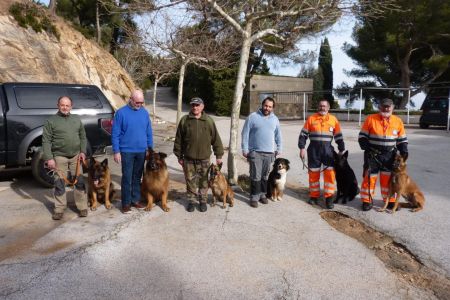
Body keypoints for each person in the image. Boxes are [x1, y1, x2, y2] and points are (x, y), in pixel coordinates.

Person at [173, 97, 224, 212]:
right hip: (188, 159)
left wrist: (219, 156)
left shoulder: (209, 121)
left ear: (202, 106)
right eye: (193, 105)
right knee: (190, 181)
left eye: (197, 105)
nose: (195, 107)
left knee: (204, 181)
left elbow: (216, 139)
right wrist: (179, 156)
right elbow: (178, 140)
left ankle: (202, 201)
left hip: (204, 159)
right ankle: (191, 201)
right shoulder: (185, 120)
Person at [42, 96, 88, 220]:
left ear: (71, 106)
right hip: (59, 156)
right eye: (62, 105)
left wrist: (83, 152)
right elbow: (46, 141)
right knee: (59, 183)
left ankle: (82, 207)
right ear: (58, 105)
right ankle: (59, 209)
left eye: (67, 105)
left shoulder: (76, 119)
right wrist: (49, 158)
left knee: (80, 182)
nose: (65, 107)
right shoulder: (51, 121)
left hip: (76, 157)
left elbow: (83, 137)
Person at [358, 98, 408, 211]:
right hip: (372, 155)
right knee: (369, 178)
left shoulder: (398, 121)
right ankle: (367, 200)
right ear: (379, 107)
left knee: (389, 179)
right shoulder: (370, 119)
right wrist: (366, 146)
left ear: (392, 107)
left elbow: (402, 140)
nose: (386, 108)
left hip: (390, 156)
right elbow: (362, 137)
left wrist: (404, 150)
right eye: (384, 106)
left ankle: (390, 201)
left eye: (388, 106)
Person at [112, 90, 153, 214]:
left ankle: (135, 200)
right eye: (137, 102)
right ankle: (126, 203)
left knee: (137, 177)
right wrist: (116, 151)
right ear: (131, 99)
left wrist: (149, 149)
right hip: (126, 151)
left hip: (142, 151)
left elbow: (149, 132)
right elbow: (115, 133)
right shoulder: (121, 113)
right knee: (127, 178)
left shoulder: (145, 113)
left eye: (141, 102)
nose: (139, 104)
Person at [298, 99, 344, 209]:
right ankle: (314, 196)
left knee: (330, 175)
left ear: (328, 108)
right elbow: (303, 135)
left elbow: (338, 136)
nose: (322, 108)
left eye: (324, 106)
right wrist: (302, 148)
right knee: (313, 174)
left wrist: (341, 149)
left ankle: (329, 198)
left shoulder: (333, 120)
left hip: (328, 150)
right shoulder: (311, 119)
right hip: (313, 149)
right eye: (320, 106)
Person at [241, 96, 282, 208]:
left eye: (270, 107)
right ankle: (254, 196)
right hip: (255, 152)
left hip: (269, 153)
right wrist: (245, 149)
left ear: (273, 108)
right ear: (262, 105)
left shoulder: (275, 119)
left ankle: (262, 195)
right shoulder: (252, 117)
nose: (267, 108)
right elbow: (245, 134)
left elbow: (278, 135)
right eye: (265, 105)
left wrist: (279, 148)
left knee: (264, 176)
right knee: (255, 176)